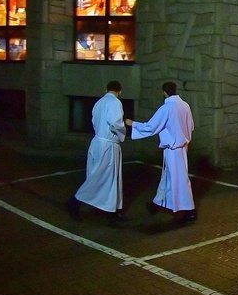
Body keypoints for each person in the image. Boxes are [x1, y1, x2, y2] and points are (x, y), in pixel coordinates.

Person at [125, 81, 196, 223]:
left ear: (164, 92)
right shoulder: (185, 106)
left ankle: (188, 211)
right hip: (182, 148)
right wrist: (185, 141)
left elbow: (151, 126)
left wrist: (133, 124)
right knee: (170, 178)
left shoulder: (167, 108)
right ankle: (156, 205)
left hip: (172, 150)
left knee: (178, 180)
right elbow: (190, 126)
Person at [66, 81, 126, 223]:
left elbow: (94, 121)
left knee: (104, 177)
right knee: (103, 178)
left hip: (98, 142)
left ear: (106, 89)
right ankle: (75, 202)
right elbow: (115, 122)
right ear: (120, 91)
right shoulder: (115, 103)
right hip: (108, 145)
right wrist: (123, 133)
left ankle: (112, 211)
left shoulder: (99, 103)